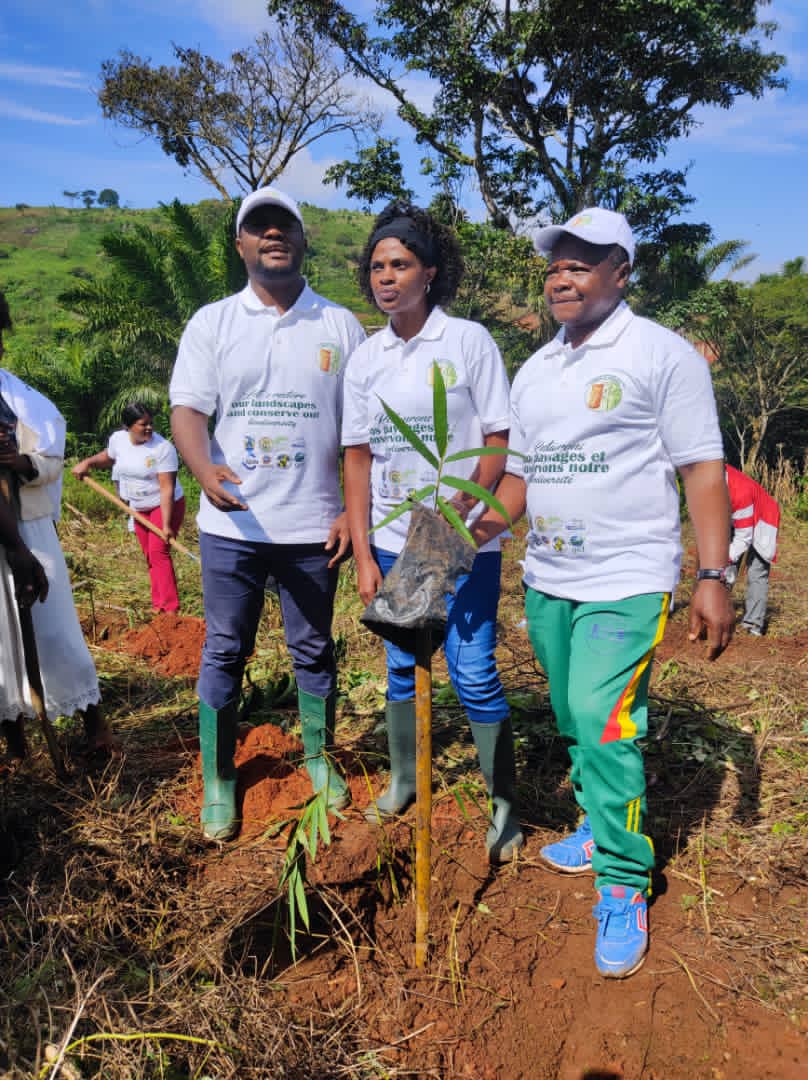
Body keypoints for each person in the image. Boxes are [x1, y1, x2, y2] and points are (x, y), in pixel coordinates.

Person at [471, 208, 735, 976]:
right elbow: (520, 478)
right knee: (571, 714)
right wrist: (468, 534)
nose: (562, 274)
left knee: (601, 716)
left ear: (621, 273)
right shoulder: (537, 368)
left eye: (583, 262)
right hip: (550, 578)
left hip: (630, 577)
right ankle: (596, 820)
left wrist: (713, 577)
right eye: (555, 263)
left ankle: (624, 881)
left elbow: (703, 470)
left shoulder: (662, 355)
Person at [169, 187, 365, 842]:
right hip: (234, 527)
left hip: (314, 526)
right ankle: (220, 776)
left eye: (284, 226)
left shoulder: (339, 326)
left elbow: (362, 432)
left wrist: (350, 510)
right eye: (259, 227)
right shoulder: (213, 323)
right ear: (241, 245)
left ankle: (317, 757)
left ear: (303, 240)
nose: (273, 234)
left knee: (312, 648)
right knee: (225, 648)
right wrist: (201, 470)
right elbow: (188, 413)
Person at [341, 201, 524, 863]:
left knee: (472, 672)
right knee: (400, 667)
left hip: (460, 535)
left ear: (430, 273)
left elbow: (498, 440)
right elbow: (357, 458)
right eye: (377, 267)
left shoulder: (467, 341)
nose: (386, 277)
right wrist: (365, 552)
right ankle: (403, 781)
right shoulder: (366, 359)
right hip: (394, 538)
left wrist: (457, 517)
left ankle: (503, 805)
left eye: (401, 264)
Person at [0, 290, 112, 754]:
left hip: (29, 528)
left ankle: (95, 727)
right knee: (1, 645)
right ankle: (15, 740)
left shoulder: (21, 399)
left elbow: (50, 457)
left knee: (55, 628)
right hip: (9, 536)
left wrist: (22, 462)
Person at [73, 403, 186, 613]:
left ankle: (171, 610)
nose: (149, 428)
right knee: (149, 555)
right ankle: (158, 605)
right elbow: (108, 456)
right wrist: (87, 463)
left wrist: (167, 524)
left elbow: (166, 489)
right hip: (138, 507)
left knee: (158, 551)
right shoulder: (119, 440)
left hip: (164, 504)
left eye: (150, 423)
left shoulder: (162, 449)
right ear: (128, 426)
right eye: (143, 424)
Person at [725, 464, 780, 636]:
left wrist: (726, 557)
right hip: (737, 517)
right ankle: (720, 612)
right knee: (725, 567)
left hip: (763, 518)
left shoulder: (740, 491)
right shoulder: (711, 472)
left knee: (757, 571)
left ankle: (753, 625)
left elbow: (744, 537)